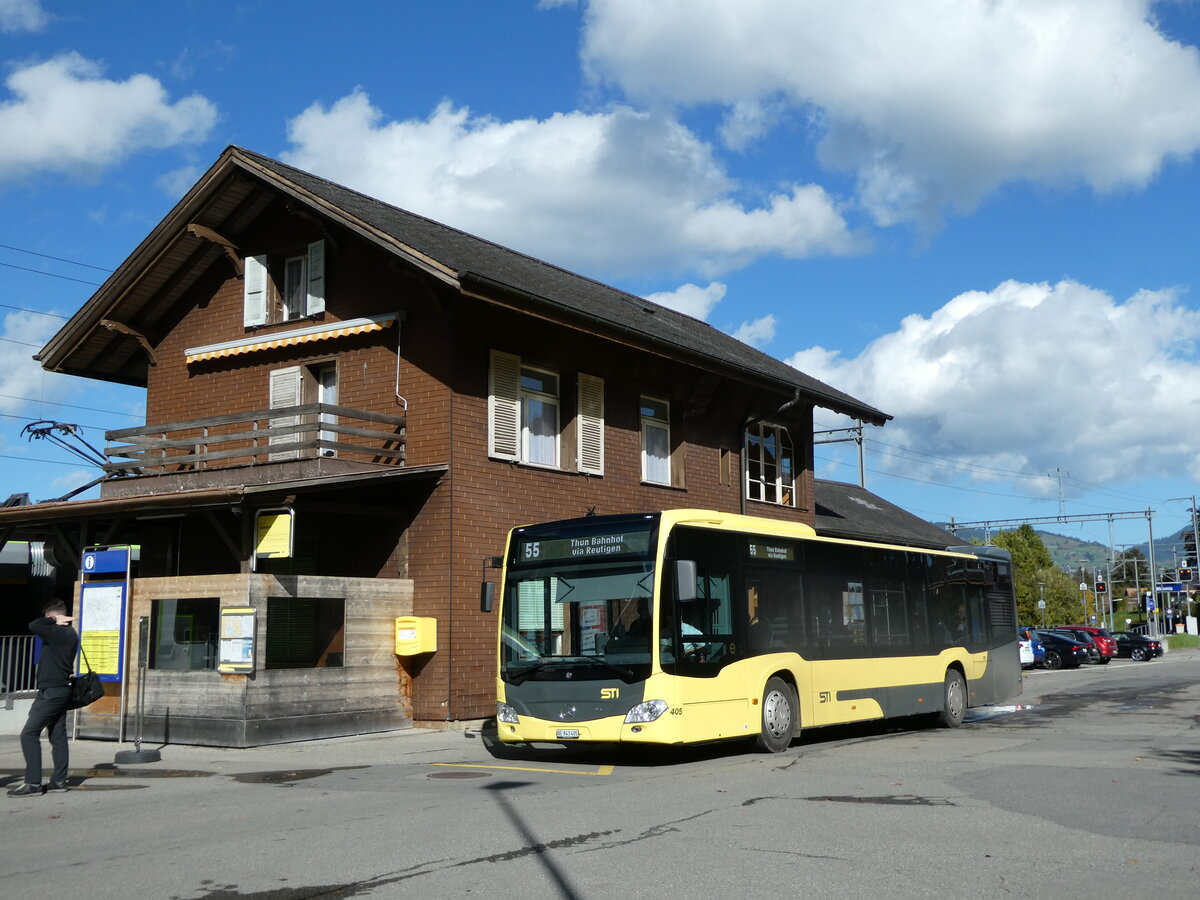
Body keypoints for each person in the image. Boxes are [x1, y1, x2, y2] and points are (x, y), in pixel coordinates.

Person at [9, 601, 79, 797]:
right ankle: (59, 781)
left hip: (52, 693)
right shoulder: (69, 633)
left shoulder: (59, 633)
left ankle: (33, 783)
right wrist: (54, 620)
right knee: (57, 737)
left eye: (49, 618)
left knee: (29, 734)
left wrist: (53, 620)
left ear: (54, 618)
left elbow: (34, 625)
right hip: (61, 690)